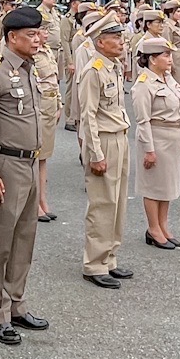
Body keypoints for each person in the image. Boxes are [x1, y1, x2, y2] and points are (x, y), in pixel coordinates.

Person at [0, 5, 51, 346]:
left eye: (39, 33)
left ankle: (17, 304)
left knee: (24, 239)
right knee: (1, 242)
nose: (38, 39)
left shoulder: (29, 69)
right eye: (31, 35)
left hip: (29, 163)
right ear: (12, 37)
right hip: (6, 165)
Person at [77, 17, 134, 290]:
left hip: (120, 136)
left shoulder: (114, 67)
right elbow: (87, 116)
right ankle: (94, 263)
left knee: (118, 202)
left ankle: (110, 257)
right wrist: (96, 153)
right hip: (104, 141)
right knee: (102, 203)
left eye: (121, 36)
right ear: (100, 42)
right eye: (116, 37)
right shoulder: (93, 70)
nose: (122, 42)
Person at [131, 34, 180, 251]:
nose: (170, 59)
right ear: (152, 59)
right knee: (153, 186)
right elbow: (143, 120)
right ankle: (153, 228)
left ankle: (163, 225)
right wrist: (149, 150)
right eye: (165, 55)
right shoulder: (144, 84)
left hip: (173, 136)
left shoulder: (168, 78)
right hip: (157, 138)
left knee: (168, 185)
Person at [30, 21, 63, 224]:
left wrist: (59, 103)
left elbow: (54, 80)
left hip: (50, 106)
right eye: (42, 30)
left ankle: (43, 199)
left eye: (46, 30)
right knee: (35, 156)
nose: (45, 34)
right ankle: (34, 203)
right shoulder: (32, 54)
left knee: (44, 157)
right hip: (39, 106)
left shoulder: (47, 51)